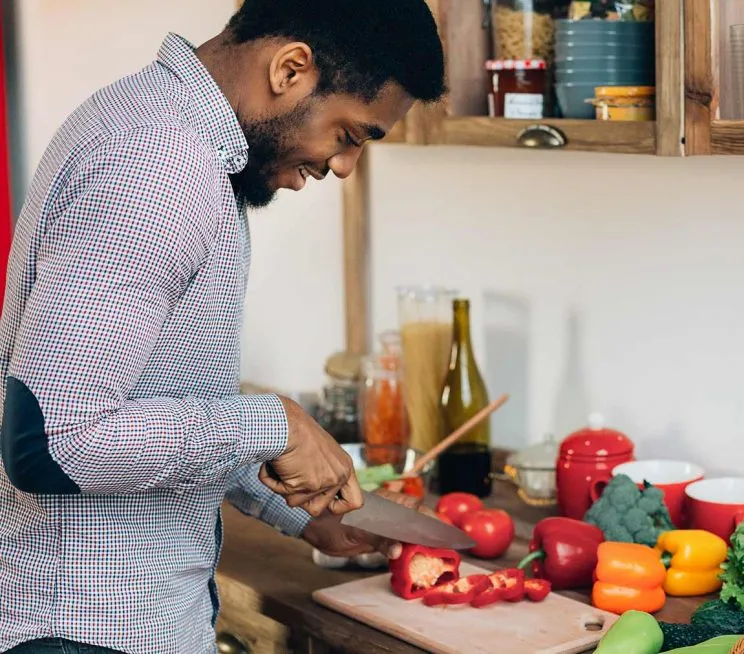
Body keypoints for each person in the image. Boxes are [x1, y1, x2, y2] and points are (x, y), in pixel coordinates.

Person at [0, 1, 446, 652]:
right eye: (349, 134)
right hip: (87, 633)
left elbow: (153, 405)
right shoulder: (157, 166)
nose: (343, 167)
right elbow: (54, 441)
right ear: (291, 68)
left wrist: (296, 514)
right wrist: (274, 424)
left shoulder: (168, 136)